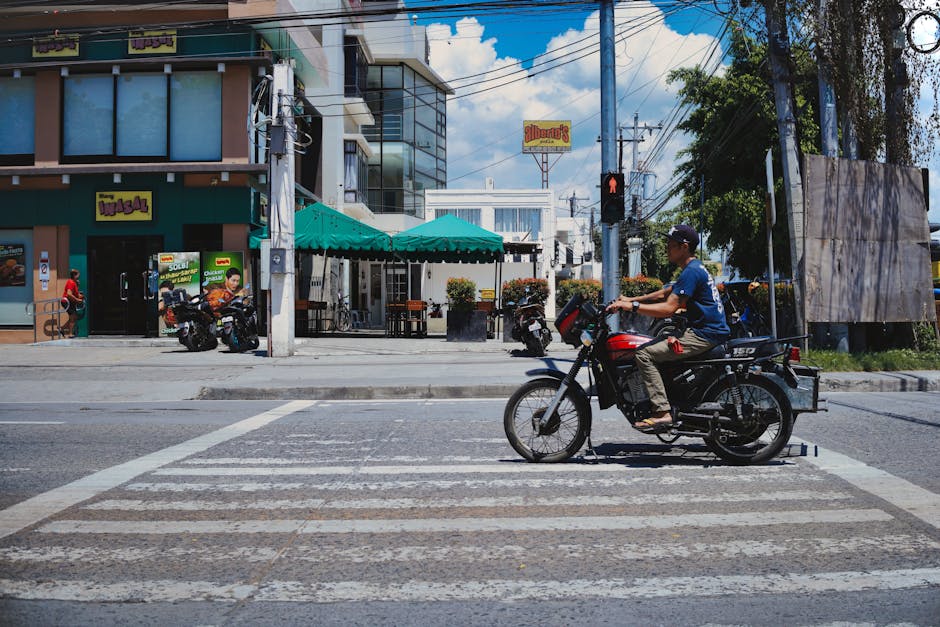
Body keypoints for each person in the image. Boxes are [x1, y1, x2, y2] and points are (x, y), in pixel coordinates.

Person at [607, 224, 730, 432]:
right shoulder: (694, 268)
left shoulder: (691, 272)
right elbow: (666, 293)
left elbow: (668, 308)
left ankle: (662, 411)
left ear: (683, 247)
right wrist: (631, 298)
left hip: (704, 334)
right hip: (705, 330)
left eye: (670, 244)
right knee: (654, 344)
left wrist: (631, 306)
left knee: (644, 354)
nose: (667, 248)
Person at [61, 269, 84, 338]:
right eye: (78, 275)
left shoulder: (74, 283)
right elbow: (69, 294)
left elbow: (76, 293)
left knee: (75, 317)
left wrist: (81, 296)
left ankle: (62, 328)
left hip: (71, 302)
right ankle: (70, 334)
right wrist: (77, 300)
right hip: (67, 302)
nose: (79, 276)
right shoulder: (71, 282)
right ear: (74, 275)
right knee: (72, 317)